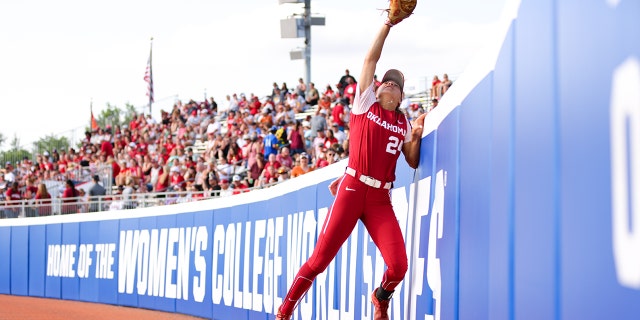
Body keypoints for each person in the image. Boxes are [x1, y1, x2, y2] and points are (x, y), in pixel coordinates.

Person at [276, 19, 427, 320]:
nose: (390, 83)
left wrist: (418, 134)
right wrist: (387, 25)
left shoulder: (404, 122)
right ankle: (285, 311)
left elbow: (412, 160)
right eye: (387, 80)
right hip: (353, 189)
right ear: (377, 86)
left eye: (397, 84)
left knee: (399, 266)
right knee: (319, 260)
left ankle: (380, 297)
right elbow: (371, 59)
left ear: (401, 98)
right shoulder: (364, 102)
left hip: (380, 199)